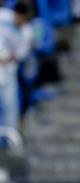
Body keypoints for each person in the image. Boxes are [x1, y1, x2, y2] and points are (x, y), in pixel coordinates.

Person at [0, 2, 33, 130]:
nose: (18, 20)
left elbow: (19, 54)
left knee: (10, 105)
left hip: (8, 69)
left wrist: (4, 60)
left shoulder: (27, 32)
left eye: (21, 18)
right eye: (17, 16)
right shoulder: (3, 16)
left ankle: (11, 137)